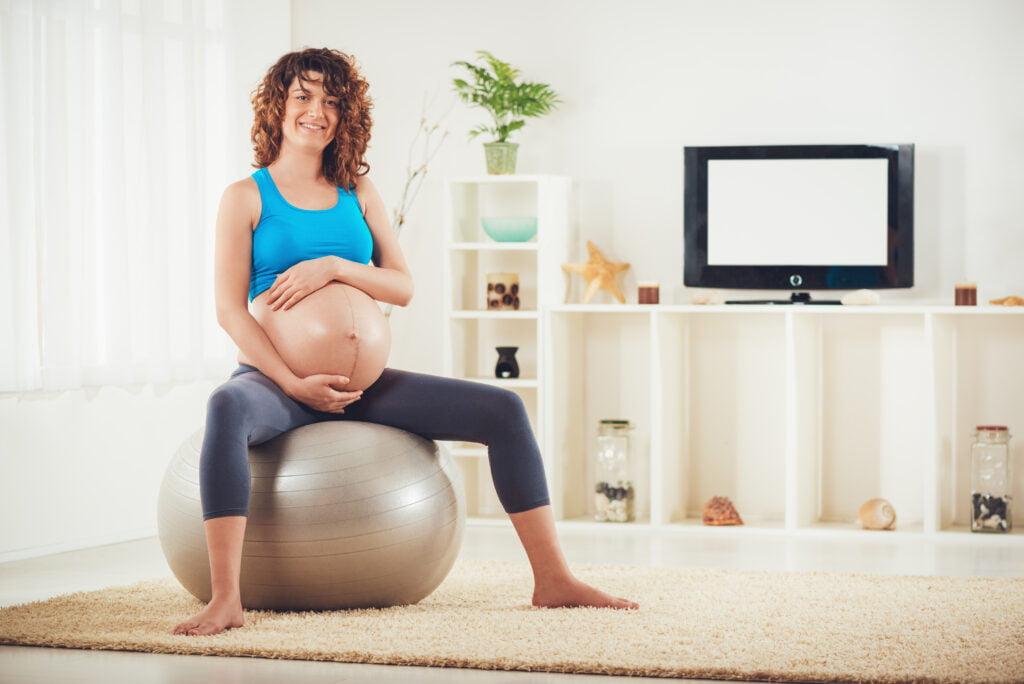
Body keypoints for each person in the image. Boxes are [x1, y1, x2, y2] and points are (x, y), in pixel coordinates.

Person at [173, 47, 638, 637]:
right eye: (304, 97)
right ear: (277, 106)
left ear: (347, 115)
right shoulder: (246, 196)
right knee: (224, 406)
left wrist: (335, 266)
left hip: (362, 385)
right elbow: (228, 311)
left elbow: (402, 285)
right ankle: (225, 600)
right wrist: (292, 381)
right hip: (277, 383)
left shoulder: (358, 191)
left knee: (503, 408)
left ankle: (554, 580)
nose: (317, 111)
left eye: (332, 102)